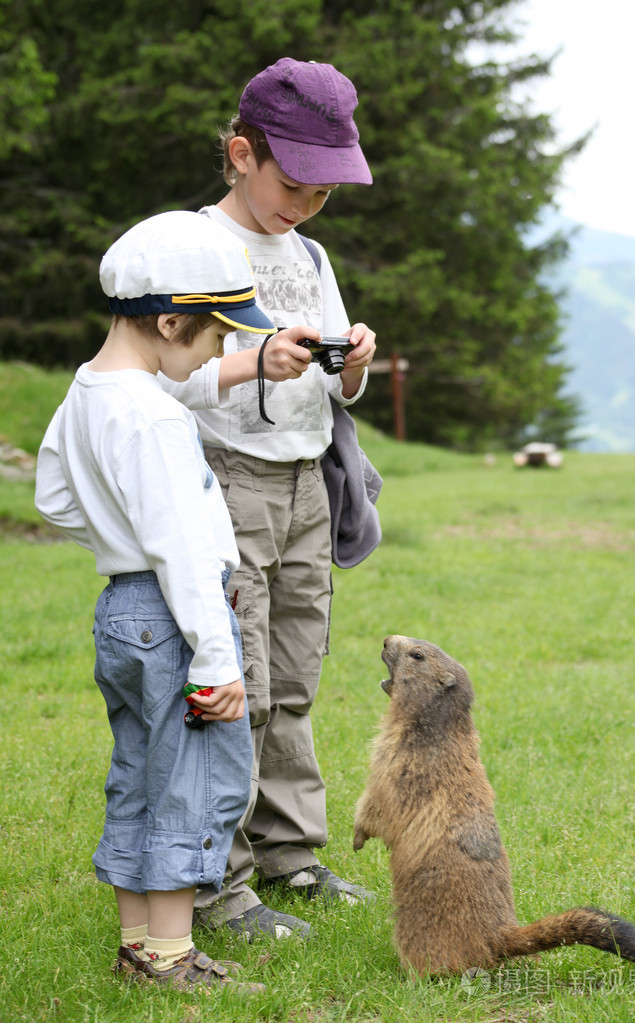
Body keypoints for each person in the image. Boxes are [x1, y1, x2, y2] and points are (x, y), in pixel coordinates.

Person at [34, 210, 324, 991]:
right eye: (216, 336)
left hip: (121, 614)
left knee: (138, 772)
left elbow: (55, 495)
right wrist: (216, 658)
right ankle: (169, 955)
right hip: (175, 619)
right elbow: (189, 558)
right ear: (169, 322)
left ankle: (138, 944)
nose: (221, 355)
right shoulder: (158, 417)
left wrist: (113, 525)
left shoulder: (91, 389)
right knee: (190, 781)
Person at [160, 58, 377, 941]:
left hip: (304, 482)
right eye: (295, 184)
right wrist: (255, 359)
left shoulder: (310, 252)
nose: (307, 205)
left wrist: (349, 365)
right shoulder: (193, 247)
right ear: (241, 154)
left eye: (326, 192)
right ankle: (217, 879)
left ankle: (289, 851)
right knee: (233, 676)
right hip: (229, 481)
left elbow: (330, 382)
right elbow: (162, 377)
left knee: (293, 676)